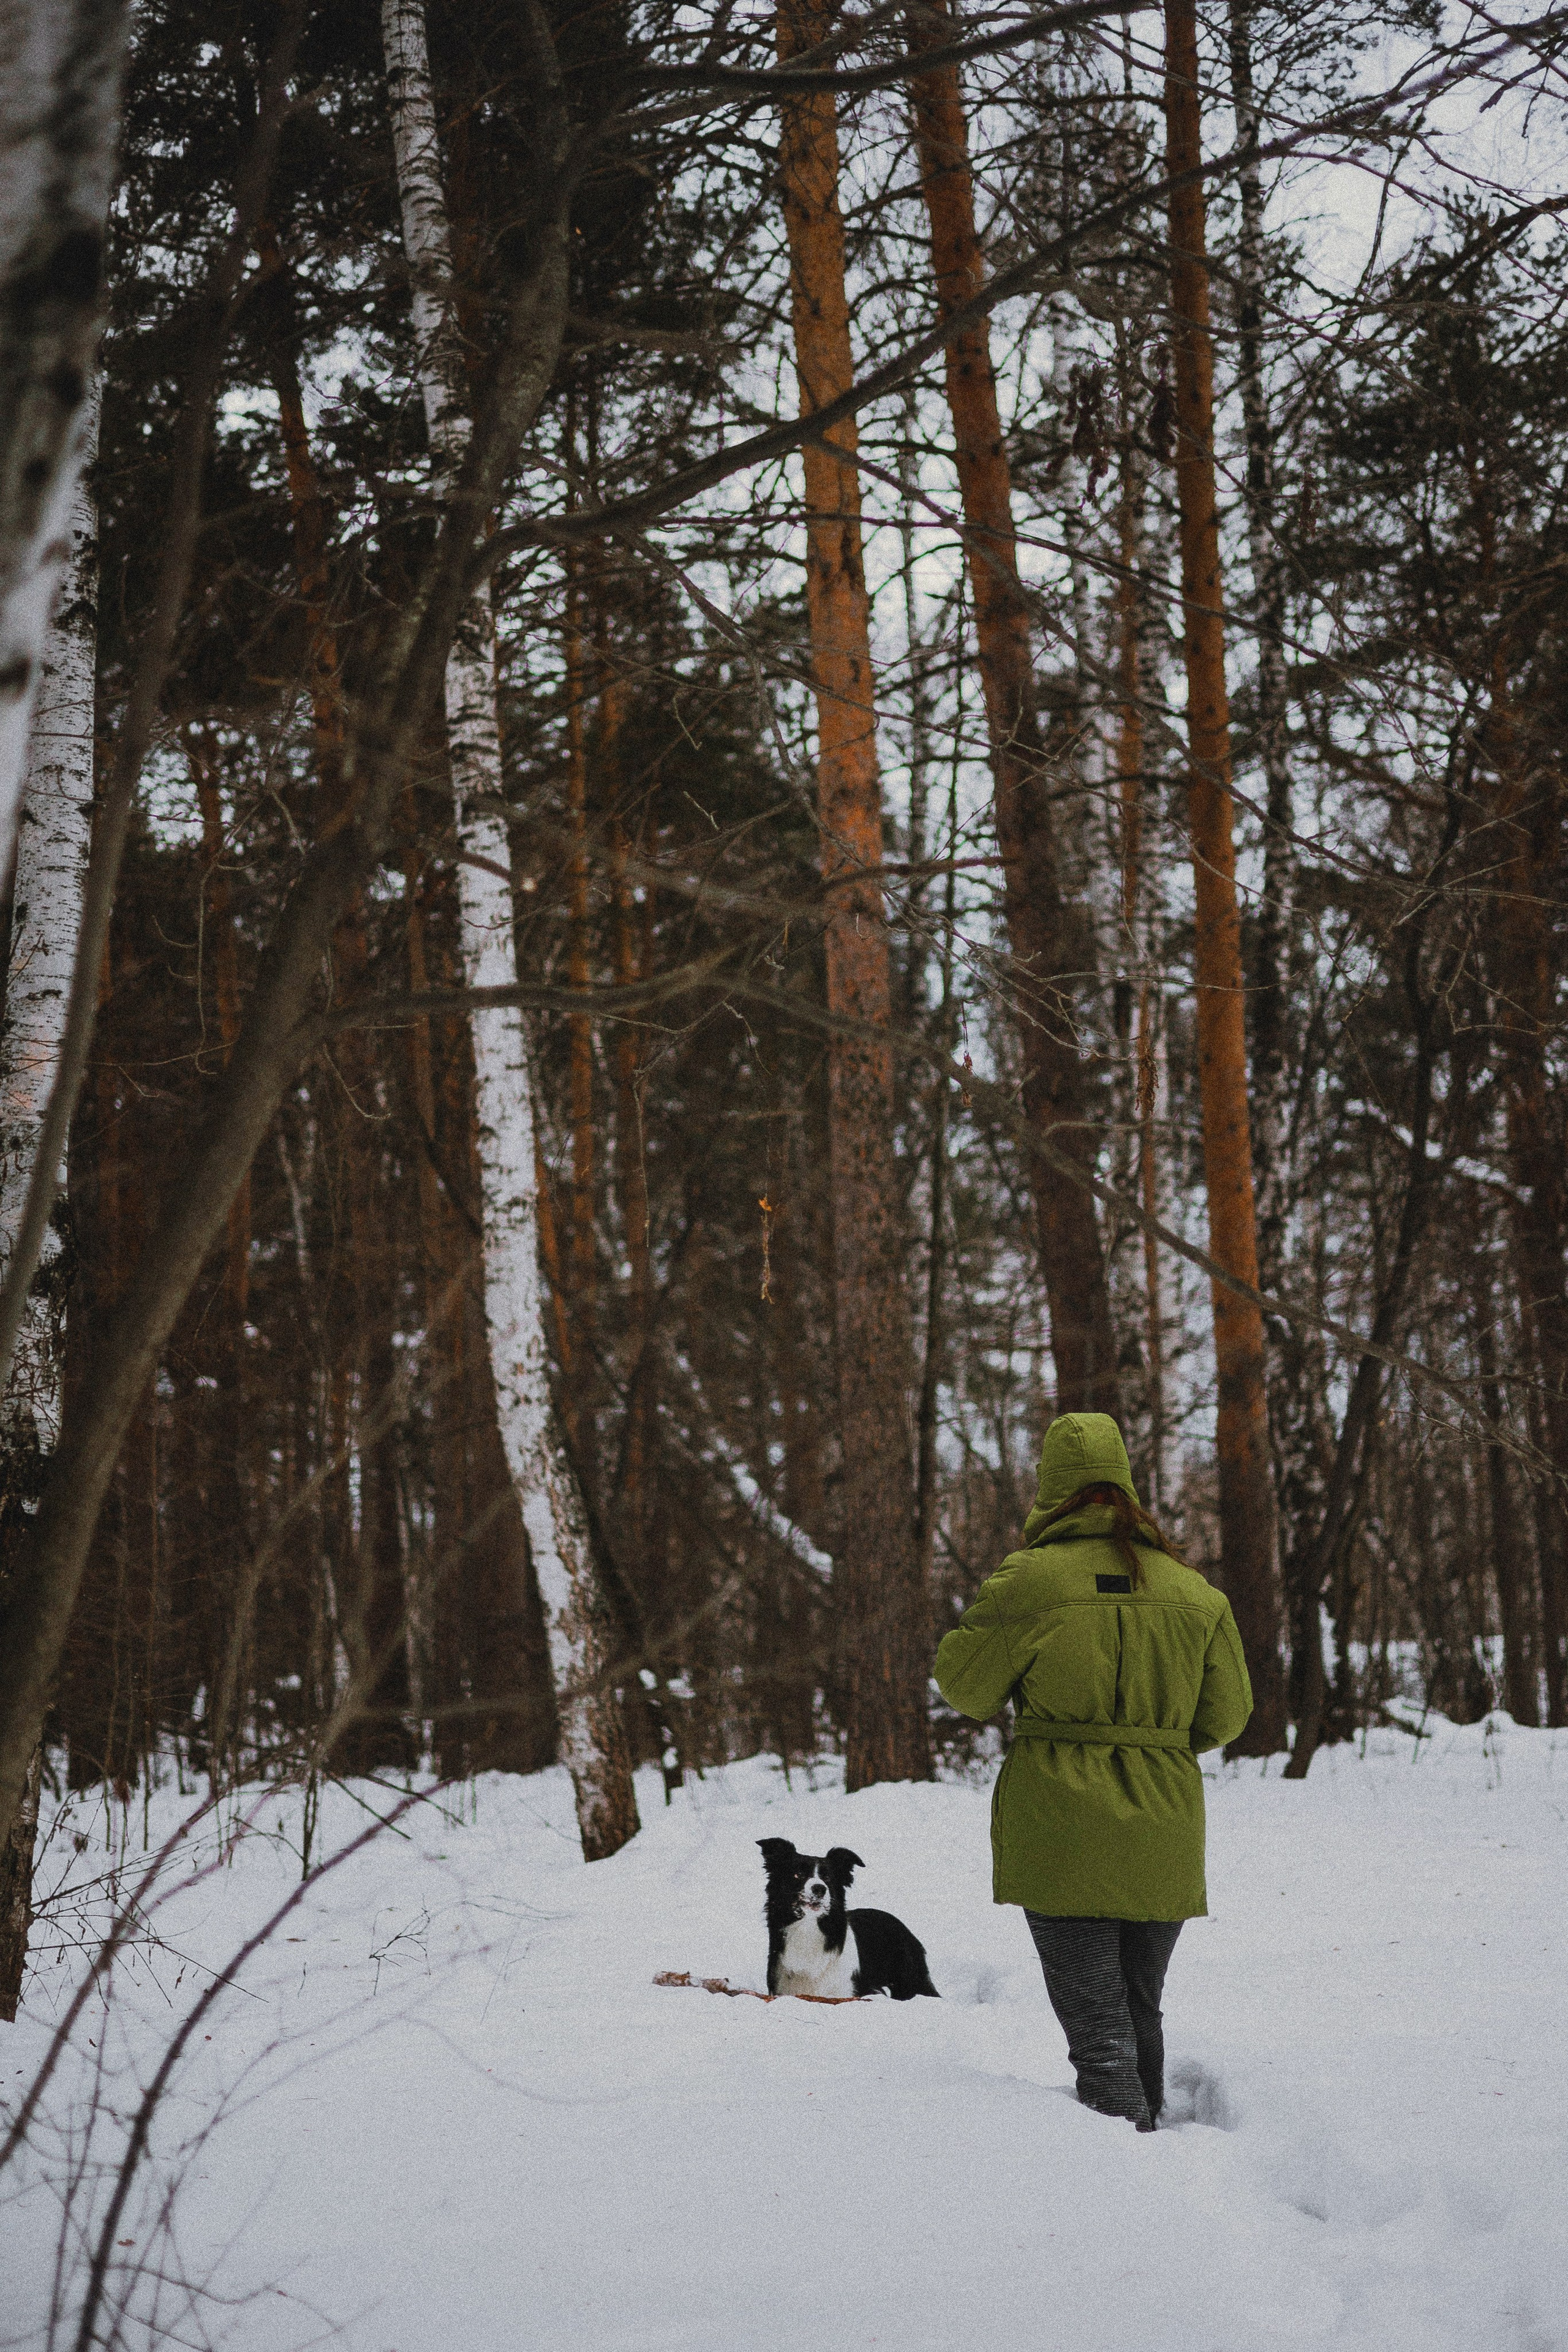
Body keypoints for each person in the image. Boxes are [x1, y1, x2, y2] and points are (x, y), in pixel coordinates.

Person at [934, 1411, 1252, 2131]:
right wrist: (1154, 1743)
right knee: (1138, 2001)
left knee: (1096, 2021)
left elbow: (964, 1688)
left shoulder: (1028, 1583)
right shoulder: (1195, 1592)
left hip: (1059, 1824)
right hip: (1163, 1823)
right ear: (1125, 1487)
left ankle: (1124, 2169)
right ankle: (1152, 2137)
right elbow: (1228, 1716)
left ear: (1050, 1489)